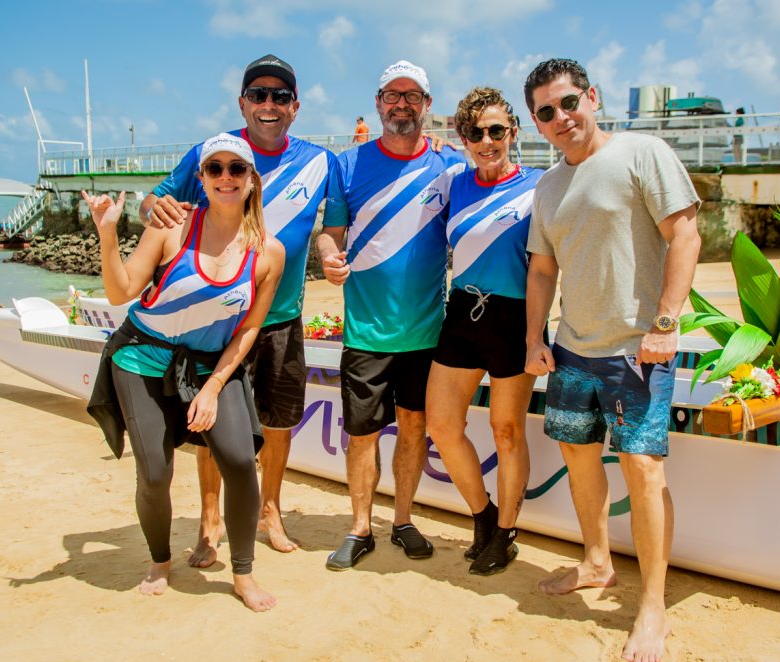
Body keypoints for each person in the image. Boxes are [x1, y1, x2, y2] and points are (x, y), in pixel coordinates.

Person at [523, 58, 701, 662]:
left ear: (592, 97)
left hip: (637, 350)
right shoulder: (547, 188)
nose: (561, 118)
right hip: (573, 347)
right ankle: (596, 561)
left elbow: (685, 233)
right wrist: (534, 338)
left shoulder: (642, 153)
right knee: (577, 458)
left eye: (568, 102)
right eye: (546, 111)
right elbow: (543, 269)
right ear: (537, 123)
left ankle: (653, 603)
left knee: (642, 471)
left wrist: (667, 322)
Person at [139, 55, 349, 559]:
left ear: (295, 107)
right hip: (217, 323)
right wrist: (154, 209)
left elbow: (330, 229)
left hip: (280, 319)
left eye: (280, 96)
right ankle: (209, 520)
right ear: (243, 103)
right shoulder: (213, 154)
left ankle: (270, 510)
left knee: (278, 425)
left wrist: (330, 256)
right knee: (207, 424)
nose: (269, 104)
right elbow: (153, 201)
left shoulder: (323, 162)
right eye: (258, 94)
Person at [85, 133, 285, 611]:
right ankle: (159, 562)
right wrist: (107, 233)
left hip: (211, 365)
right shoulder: (173, 227)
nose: (225, 177)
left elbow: (248, 331)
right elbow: (121, 293)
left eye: (236, 169)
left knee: (239, 461)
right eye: (214, 169)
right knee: (154, 473)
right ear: (201, 179)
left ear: (252, 181)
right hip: (141, 354)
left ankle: (242, 574)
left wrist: (215, 386)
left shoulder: (269, 252)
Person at [317, 60, 467, 570]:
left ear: (427, 105)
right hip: (365, 332)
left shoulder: (448, 168)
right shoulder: (348, 165)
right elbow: (331, 231)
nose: (401, 104)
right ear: (378, 103)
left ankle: (402, 520)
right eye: (392, 95)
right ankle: (360, 527)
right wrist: (327, 257)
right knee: (360, 437)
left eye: (412, 96)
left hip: (427, 332)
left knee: (413, 428)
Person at [424, 87, 543, 576]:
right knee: (443, 426)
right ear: (464, 137)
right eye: (476, 132)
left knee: (507, 431)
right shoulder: (454, 182)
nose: (487, 140)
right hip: (461, 314)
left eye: (497, 130)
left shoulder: (542, 185)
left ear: (514, 132)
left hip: (515, 320)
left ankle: (508, 532)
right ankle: (483, 516)